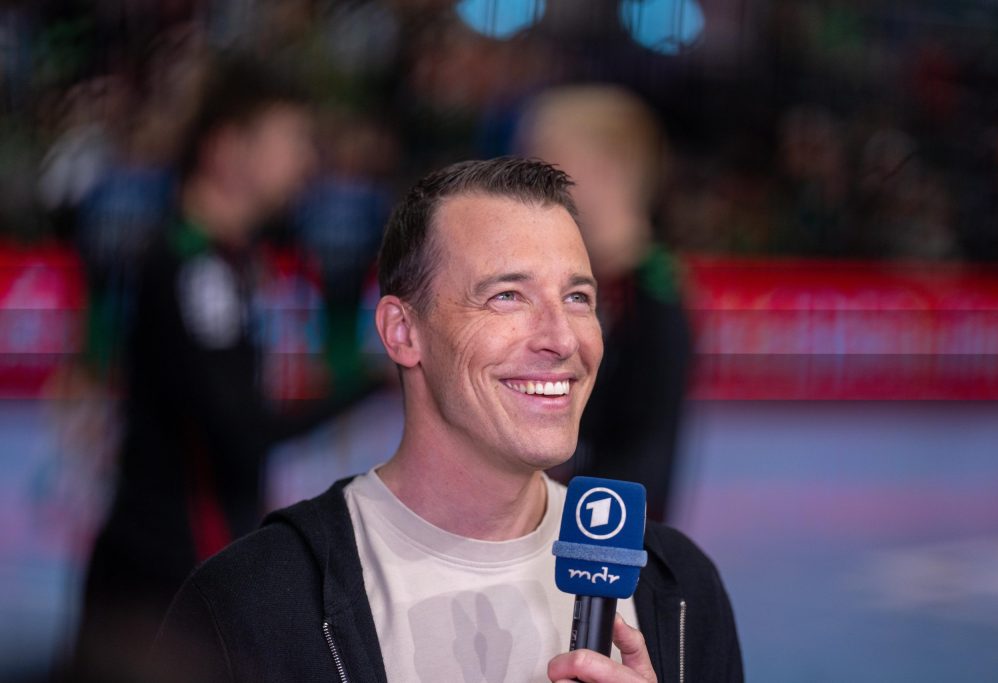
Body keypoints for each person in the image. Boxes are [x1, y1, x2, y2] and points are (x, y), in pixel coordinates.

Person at [152, 157, 742, 682]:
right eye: (507, 296)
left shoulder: (680, 591)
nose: (563, 339)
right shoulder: (248, 603)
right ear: (402, 332)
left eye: (578, 298)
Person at [69, 58, 365, 682]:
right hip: (168, 580)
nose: (305, 161)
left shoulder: (222, 263)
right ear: (228, 148)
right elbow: (240, 431)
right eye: (289, 139)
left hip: (173, 567)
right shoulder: (194, 270)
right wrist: (371, 380)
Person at [518, 85, 693, 522]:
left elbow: (643, 459)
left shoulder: (650, 294)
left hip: (601, 541)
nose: (525, 187)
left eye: (545, 165)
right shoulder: (589, 283)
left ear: (605, 169)